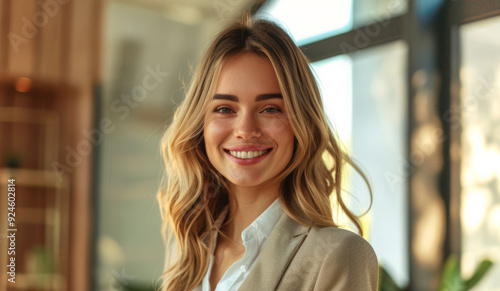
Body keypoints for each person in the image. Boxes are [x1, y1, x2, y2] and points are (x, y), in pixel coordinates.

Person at [157, 15, 378, 291]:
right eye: (225, 109)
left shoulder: (337, 255)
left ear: (301, 123)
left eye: (270, 108)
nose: (245, 130)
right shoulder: (188, 250)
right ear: (200, 124)